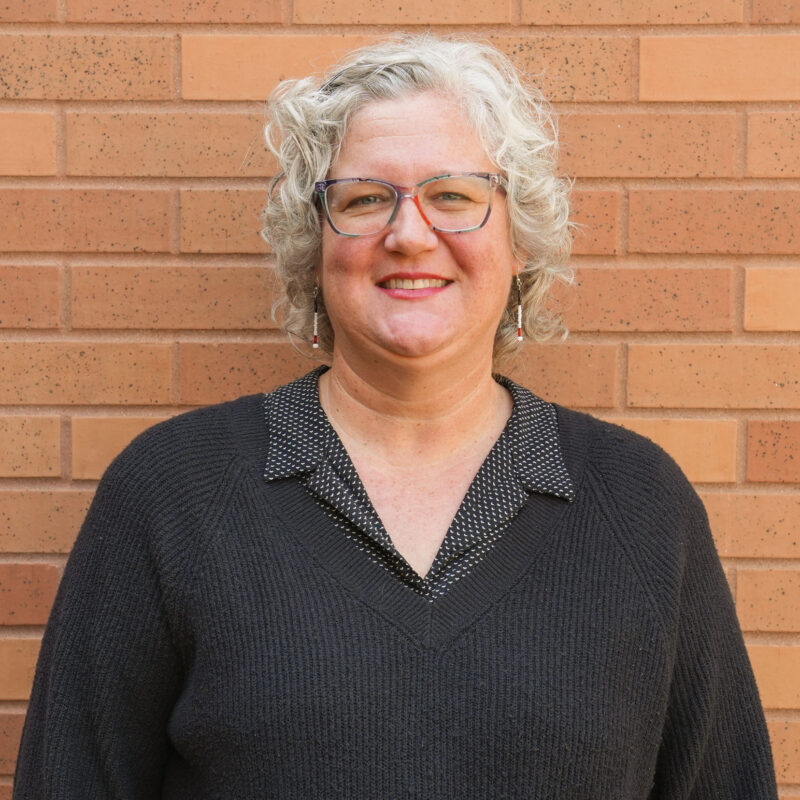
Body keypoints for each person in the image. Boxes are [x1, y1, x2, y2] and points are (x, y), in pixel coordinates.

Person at [14, 34, 777, 799]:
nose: (410, 234)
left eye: (454, 196)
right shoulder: (171, 494)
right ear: (316, 247)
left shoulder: (640, 506)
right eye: (365, 199)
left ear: (520, 242)